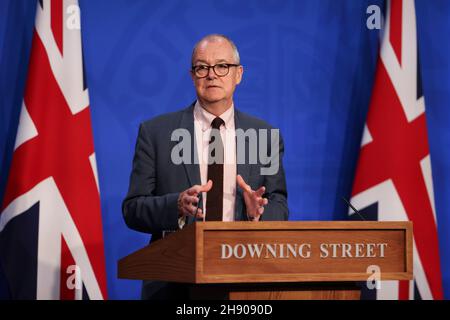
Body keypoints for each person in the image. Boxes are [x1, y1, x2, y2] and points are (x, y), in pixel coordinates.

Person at [122, 34, 289, 299]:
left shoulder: (264, 136)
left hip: (243, 280)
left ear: (238, 74)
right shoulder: (156, 133)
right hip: (174, 284)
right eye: (202, 67)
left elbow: (279, 205)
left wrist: (256, 214)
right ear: (192, 76)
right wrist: (175, 205)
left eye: (222, 66)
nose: (212, 75)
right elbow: (132, 209)